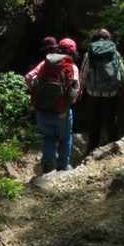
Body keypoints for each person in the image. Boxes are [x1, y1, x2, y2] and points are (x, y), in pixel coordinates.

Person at [24, 37, 81, 173]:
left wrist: (35, 93)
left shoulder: (46, 63)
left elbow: (28, 77)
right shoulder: (71, 66)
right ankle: (62, 166)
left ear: (58, 48)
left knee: (48, 137)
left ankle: (47, 165)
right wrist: (69, 101)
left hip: (42, 109)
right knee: (65, 138)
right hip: (62, 111)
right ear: (73, 52)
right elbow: (75, 89)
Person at [80, 28, 124, 154]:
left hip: (93, 92)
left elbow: (84, 73)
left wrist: (81, 87)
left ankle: (92, 149)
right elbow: (122, 70)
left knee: (94, 119)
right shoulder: (114, 52)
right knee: (111, 118)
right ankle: (113, 146)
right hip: (112, 91)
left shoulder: (89, 53)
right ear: (109, 38)